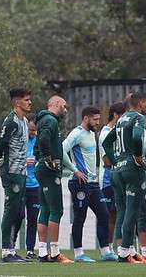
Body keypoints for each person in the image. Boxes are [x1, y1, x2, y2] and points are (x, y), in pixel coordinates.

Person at [101, 92, 146, 263]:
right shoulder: (138, 118)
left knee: (122, 211)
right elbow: (137, 137)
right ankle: (124, 253)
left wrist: (115, 161)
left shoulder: (121, 119)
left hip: (117, 171)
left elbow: (106, 142)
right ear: (141, 103)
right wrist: (138, 156)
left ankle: (127, 249)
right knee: (133, 211)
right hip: (132, 169)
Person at [62, 106, 114, 262]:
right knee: (80, 217)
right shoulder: (77, 133)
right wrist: (74, 170)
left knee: (104, 214)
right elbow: (61, 149)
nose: (98, 122)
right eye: (95, 119)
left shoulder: (92, 133)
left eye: (99, 119)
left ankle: (105, 251)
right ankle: (78, 254)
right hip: (79, 182)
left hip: (93, 183)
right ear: (86, 118)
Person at [0, 88, 34, 263]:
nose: (30, 102)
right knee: (11, 210)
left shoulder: (24, 120)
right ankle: (6, 251)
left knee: (19, 213)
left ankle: (12, 249)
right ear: (17, 102)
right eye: (26, 100)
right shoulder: (11, 122)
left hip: (21, 172)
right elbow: (0, 145)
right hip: (11, 172)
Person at [34, 95, 74, 263]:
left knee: (45, 209)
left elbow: (40, 142)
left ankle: (43, 251)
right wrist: (49, 159)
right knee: (56, 210)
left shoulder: (42, 120)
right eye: (64, 106)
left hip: (41, 168)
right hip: (49, 170)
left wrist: (43, 159)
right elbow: (43, 141)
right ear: (56, 104)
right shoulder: (51, 120)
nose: (65, 110)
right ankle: (56, 252)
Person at [99, 102, 125, 249]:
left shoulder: (119, 131)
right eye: (122, 116)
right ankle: (107, 248)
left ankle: (123, 247)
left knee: (121, 213)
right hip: (108, 178)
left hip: (119, 177)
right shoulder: (104, 134)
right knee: (110, 215)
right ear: (115, 115)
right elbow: (107, 161)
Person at [23, 114, 40, 260]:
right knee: (16, 216)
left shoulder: (39, 141)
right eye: (31, 130)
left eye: (35, 130)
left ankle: (30, 250)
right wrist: (24, 162)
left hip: (35, 186)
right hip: (20, 184)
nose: (32, 133)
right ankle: (8, 249)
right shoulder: (19, 141)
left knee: (33, 219)